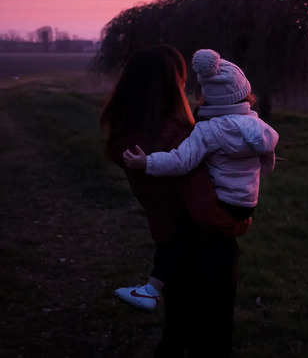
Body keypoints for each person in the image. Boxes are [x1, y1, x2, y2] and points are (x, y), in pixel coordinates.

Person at [100, 44, 249, 356]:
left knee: (177, 330)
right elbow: (203, 204)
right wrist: (237, 222)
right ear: (173, 84)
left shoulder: (126, 134)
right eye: (182, 80)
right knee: (214, 336)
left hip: (168, 241)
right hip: (208, 246)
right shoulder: (180, 137)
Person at [119, 48, 278, 308]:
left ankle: (152, 289)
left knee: (180, 233)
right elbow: (267, 157)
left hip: (219, 205)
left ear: (207, 97)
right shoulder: (260, 127)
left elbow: (180, 162)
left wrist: (146, 162)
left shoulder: (207, 131)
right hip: (245, 206)